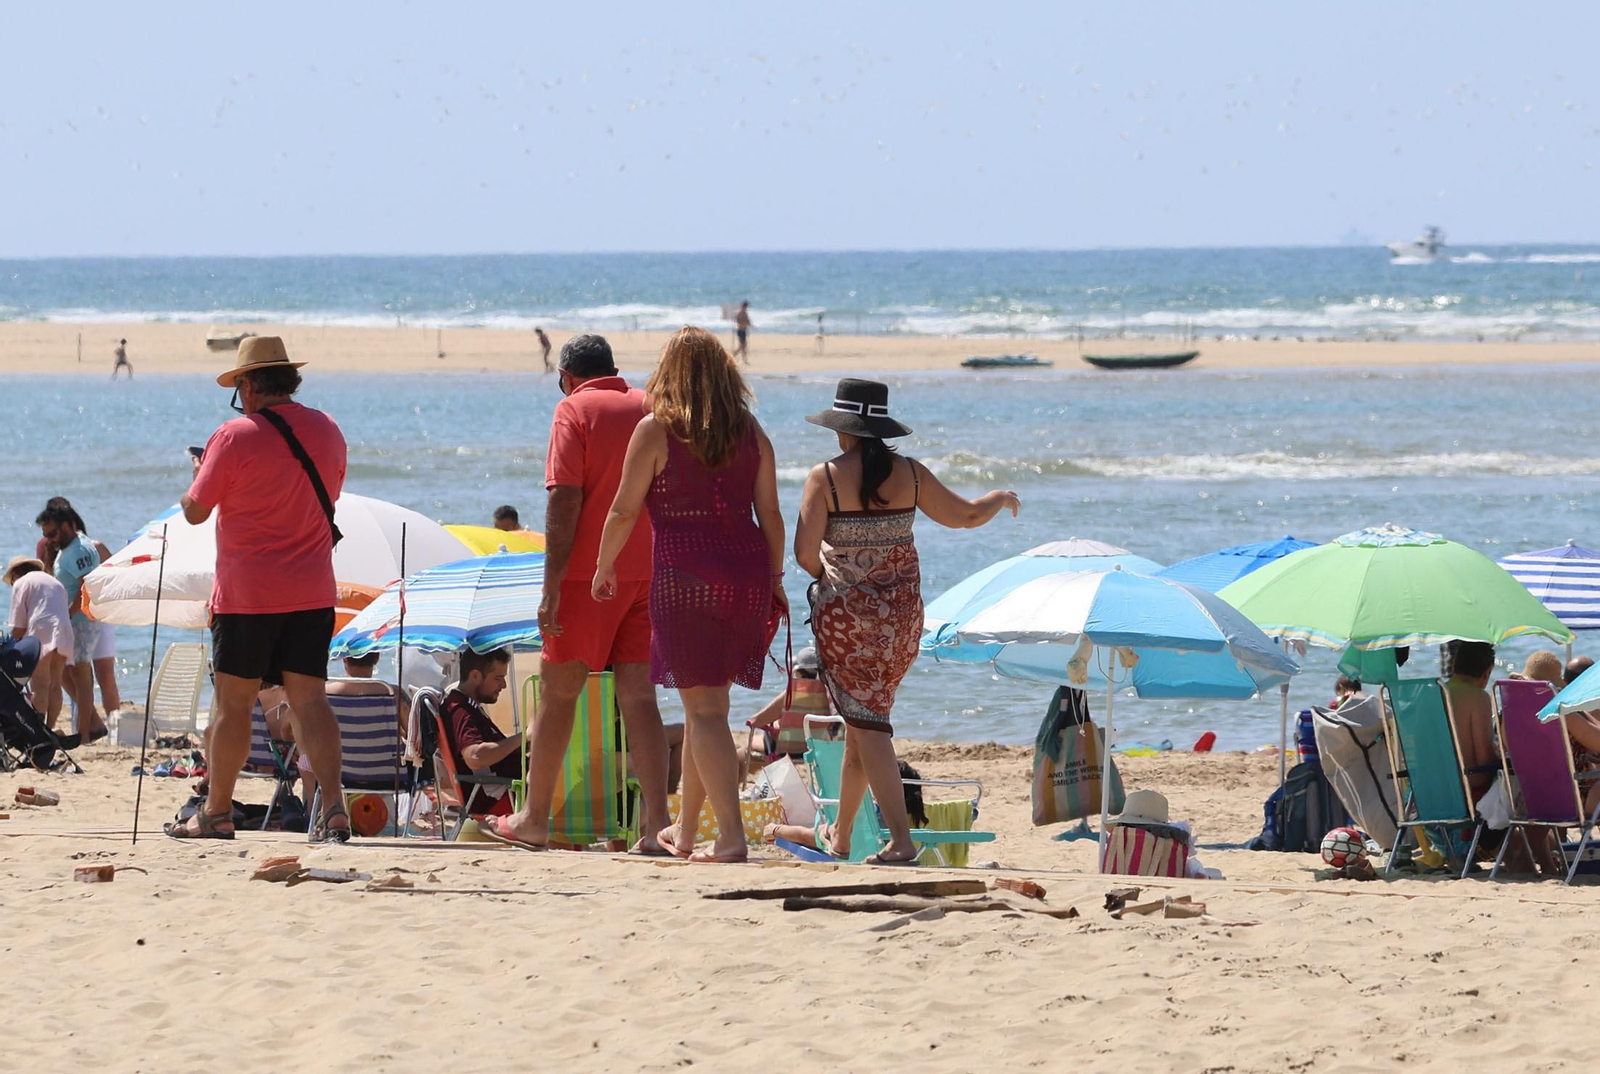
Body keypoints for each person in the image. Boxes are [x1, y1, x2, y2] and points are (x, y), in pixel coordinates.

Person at [795, 378, 1019, 864]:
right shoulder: (911, 474)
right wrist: (999, 497)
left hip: (848, 623)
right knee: (864, 721)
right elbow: (965, 517)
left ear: (843, 429)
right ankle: (841, 833)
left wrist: (838, 576)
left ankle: (900, 840)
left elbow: (805, 555)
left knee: (869, 724)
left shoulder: (825, 477)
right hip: (901, 624)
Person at [591, 325, 786, 864]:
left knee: (703, 711)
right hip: (746, 574)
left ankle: (731, 837)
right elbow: (770, 513)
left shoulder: (656, 430)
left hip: (685, 577)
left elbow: (624, 509)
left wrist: (604, 565)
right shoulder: (749, 430)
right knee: (711, 707)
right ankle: (686, 829)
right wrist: (774, 579)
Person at [489, 334, 671, 854]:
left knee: (559, 694)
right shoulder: (650, 404)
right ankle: (657, 826)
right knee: (640, 699)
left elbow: (565, 498)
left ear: (566, 376)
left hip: (589, 575)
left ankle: (534, 818)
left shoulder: (573, 408)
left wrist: (550, 586)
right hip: (649, 570)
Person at [166, 336, 350, 842]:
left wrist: (199, 474)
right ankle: (334, 808)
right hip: (312, 588)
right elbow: (328, 492)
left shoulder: (233, 436)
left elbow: (196, 511)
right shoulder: (328, 429)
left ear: (248, 385)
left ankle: (217, 812)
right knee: (311, 701)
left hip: (247, 593)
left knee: (234, 706)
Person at [37, 499, 120, 717]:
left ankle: (112, 725)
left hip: (96, 615)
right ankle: (92, 721)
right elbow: (49, 581)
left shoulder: (92, 546)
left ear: (68, 524)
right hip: (78, 616)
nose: (49, 538)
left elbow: (113, 576)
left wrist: (70, 612)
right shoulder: (50, 547)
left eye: (52, 533)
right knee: (70, 672)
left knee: (103, 674)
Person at [764, 760, 930, 853]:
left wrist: (776, 829)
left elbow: (808, 837)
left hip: (854, 856)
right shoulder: (911, 818)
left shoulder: (865, 814)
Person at [439, 649, 525, 817]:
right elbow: (475, 757)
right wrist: (523, 737)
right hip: (500, 798)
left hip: (507, 792)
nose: (504, 685)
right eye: (498, 678)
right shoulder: (460, 711)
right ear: (475, 676)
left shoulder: (468, 707)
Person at [739, 645, 835, 774]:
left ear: (798, 672)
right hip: (822, 750)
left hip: (788, 750)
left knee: (742, 753)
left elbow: (756, 721)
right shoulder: (831, 696)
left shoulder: (792, 694)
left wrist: (775, 725)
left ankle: (730, 786)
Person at [5, 556, 74, 730]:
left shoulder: (22, 583)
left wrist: (8, 648)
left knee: (40, 684)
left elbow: (19, 627)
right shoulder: (55, 582)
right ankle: (50, 729)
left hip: (41, 630)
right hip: (65, 630)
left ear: (15, 574)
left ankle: (38, 730)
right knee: (55, 684)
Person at [1443, 641, 1498, 801]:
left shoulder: (1428, 694)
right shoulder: (1478, 698)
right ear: (1487, 672)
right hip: (1469, 790)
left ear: (1455, 665)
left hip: (1430, 791)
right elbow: (1483, 759)